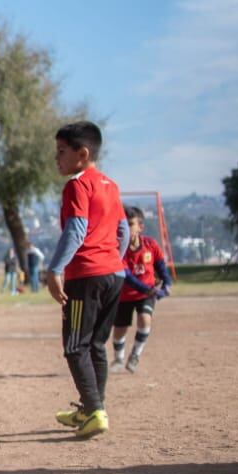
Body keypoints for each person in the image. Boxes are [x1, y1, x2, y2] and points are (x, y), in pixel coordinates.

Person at [46, 121, 128, 439]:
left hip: (87, 276)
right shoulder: (110, 185)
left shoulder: (78, 185)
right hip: (113, 274)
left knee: (75, 345)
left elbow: (77, 229)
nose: (57, 158)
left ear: (82, 154)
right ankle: (92, 407)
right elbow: (122, 231)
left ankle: (94, 411)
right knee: (96, 345)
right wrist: (113, 261)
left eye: (62, 152)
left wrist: (55, 270)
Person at [112, 205, 172, 373]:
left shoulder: (151, 245)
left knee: (145, 319)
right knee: (119, 330)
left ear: (140, 227)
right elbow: (127, 276)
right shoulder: (119, 249)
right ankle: (118, 358)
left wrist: (167, 283)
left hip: (146, 294)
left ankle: (135, 355)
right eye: (123, 224)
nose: (126, 228)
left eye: (130, 224)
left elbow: (161, 267)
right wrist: (148, 289)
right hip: (125, 295)